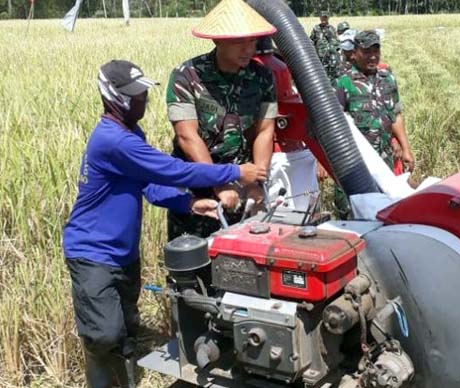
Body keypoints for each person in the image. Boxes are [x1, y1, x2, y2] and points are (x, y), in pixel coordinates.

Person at [63, 60, 267, 388]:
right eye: (135, 94)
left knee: (126, 331)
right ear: (112, 96)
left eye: (144, 92)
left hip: (122, 253)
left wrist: (187, 202)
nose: (143, 99)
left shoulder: (130, 132)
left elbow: (149, 185)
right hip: (93, 253)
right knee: (104, 336)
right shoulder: (112, 140)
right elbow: (174, 171)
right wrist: (232, 172)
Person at [166, 0, 278, 240]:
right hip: (198, 190)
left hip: (244, 182)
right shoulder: (187, 76)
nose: (249, 48)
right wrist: (219, 183)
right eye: (240, 41)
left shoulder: (262, 77)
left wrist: (257, 183)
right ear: (218, 40)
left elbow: (264, 130)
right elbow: (187, 136)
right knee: (195, 267)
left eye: (253, 40)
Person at [333, 30, 414, 218]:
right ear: (355, 53)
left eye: (376, 51)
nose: (373, 57)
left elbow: (395, 115)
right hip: (354, 161)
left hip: (384, 158)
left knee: (384, 209)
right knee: (352, 210)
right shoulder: (343, 82)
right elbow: (333, 124)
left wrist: (405, 148)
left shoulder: (387, 79)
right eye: (367, 52)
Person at [310, 11, 341, 81]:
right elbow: (311, 41)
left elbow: (337, 42)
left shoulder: (332, 29)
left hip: (331, 56)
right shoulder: (316, 28)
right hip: (319, 56)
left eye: (325, 17)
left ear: (328, 18)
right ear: (320, 18)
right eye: (322, 17)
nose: (323, 19)